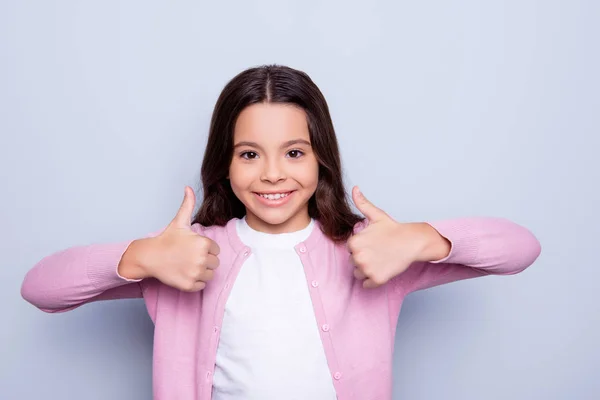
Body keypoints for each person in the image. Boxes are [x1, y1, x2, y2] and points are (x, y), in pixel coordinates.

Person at [21, 64, 542, 400]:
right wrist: (142, 257)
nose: (272, 173)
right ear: (224, 163)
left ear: (322, 160)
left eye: (294, 152)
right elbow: (40, 288)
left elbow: (521, 248)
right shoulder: (187, 256)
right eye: (250, 154)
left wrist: (420, 239)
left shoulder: (367, 251)